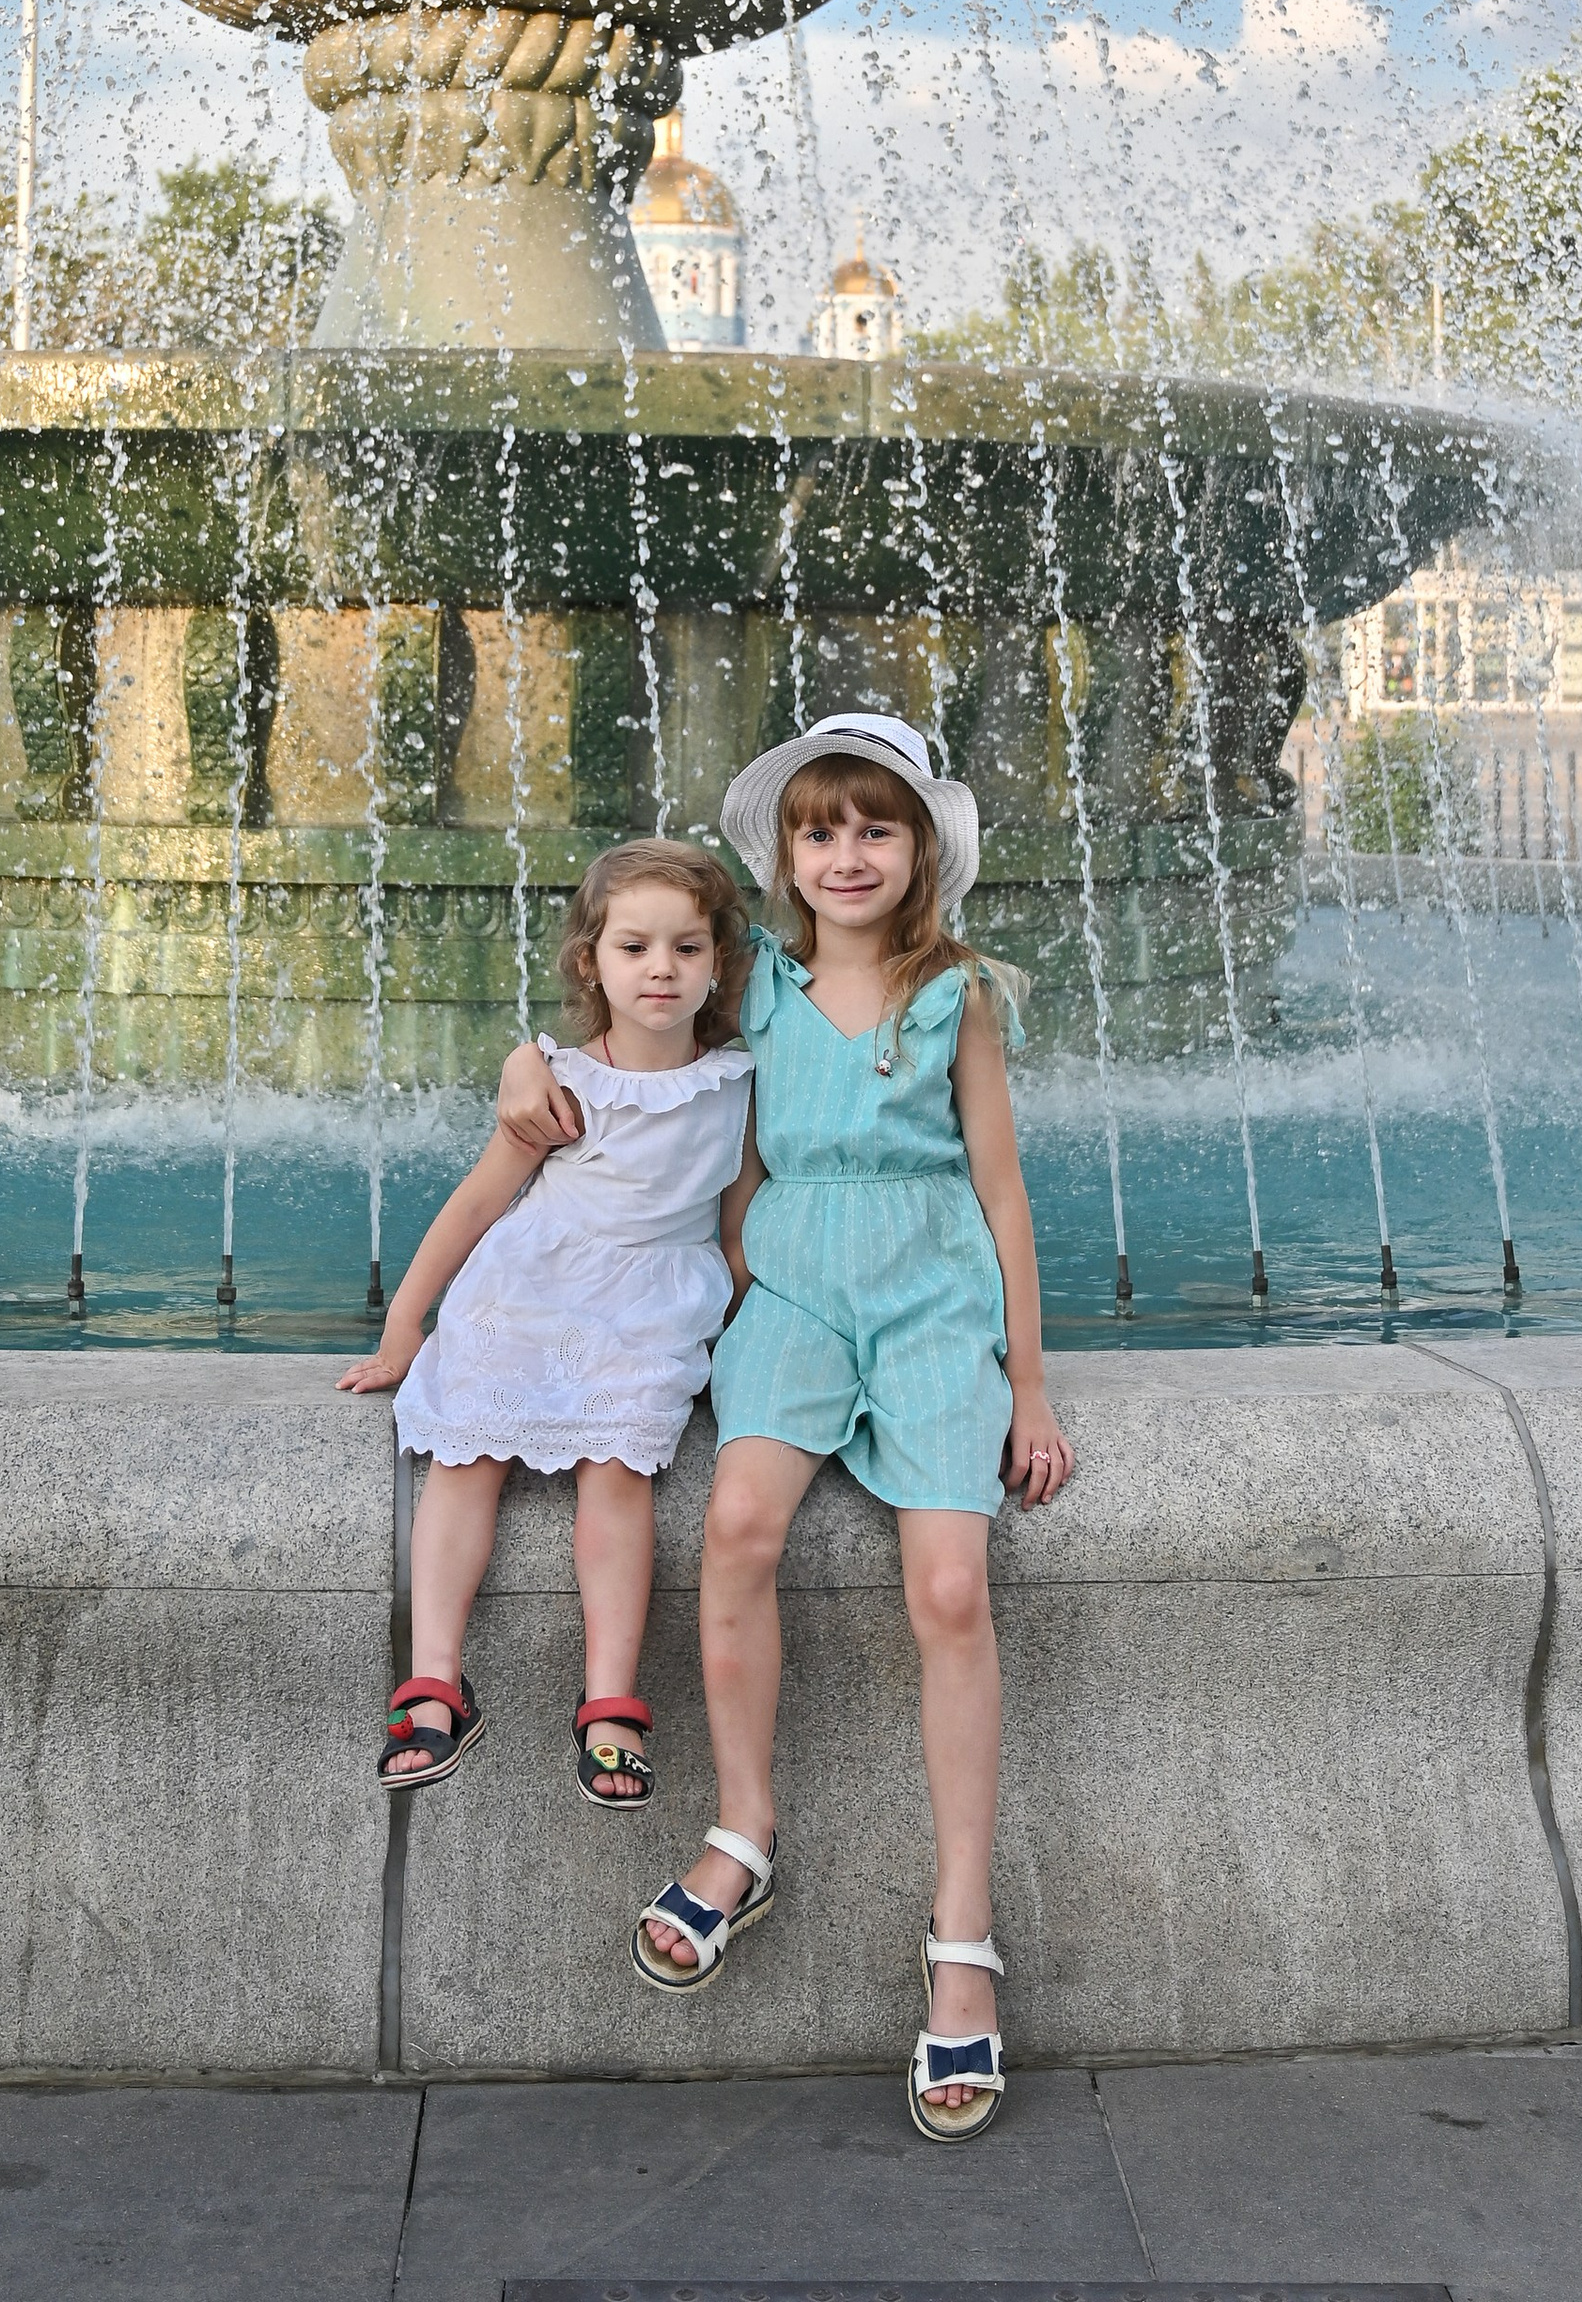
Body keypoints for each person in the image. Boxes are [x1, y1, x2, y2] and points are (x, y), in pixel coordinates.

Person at [493, 710, 1073, 2143]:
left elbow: (1001, 1195)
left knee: (949, 1586)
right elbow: (633, 1024)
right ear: (788, 852)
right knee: (740, 1524)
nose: (850, 854)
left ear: (921, 845)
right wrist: (524, 1069)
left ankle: (961, 1936)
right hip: (796, 1294)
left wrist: (1033, 1383)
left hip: (935, 1302)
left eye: (878, 827)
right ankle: (743, 1830)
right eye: (823, 830)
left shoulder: (960, 994)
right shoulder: (757, 988)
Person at [338, 839, 756, 1807]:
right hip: (531, 1284)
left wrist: (734, 1343)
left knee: (618, 1467)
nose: (661, 967)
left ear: (719, 963)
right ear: (590, 961)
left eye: (687, 947)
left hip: (651, 1303)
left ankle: (610, 1699)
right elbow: (479, 1204)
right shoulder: (560, 1077)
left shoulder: (734, 1084)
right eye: (635, 945)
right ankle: (435, 1681)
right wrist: (407, 1325)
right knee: (466, 1453)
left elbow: (737, 1234)